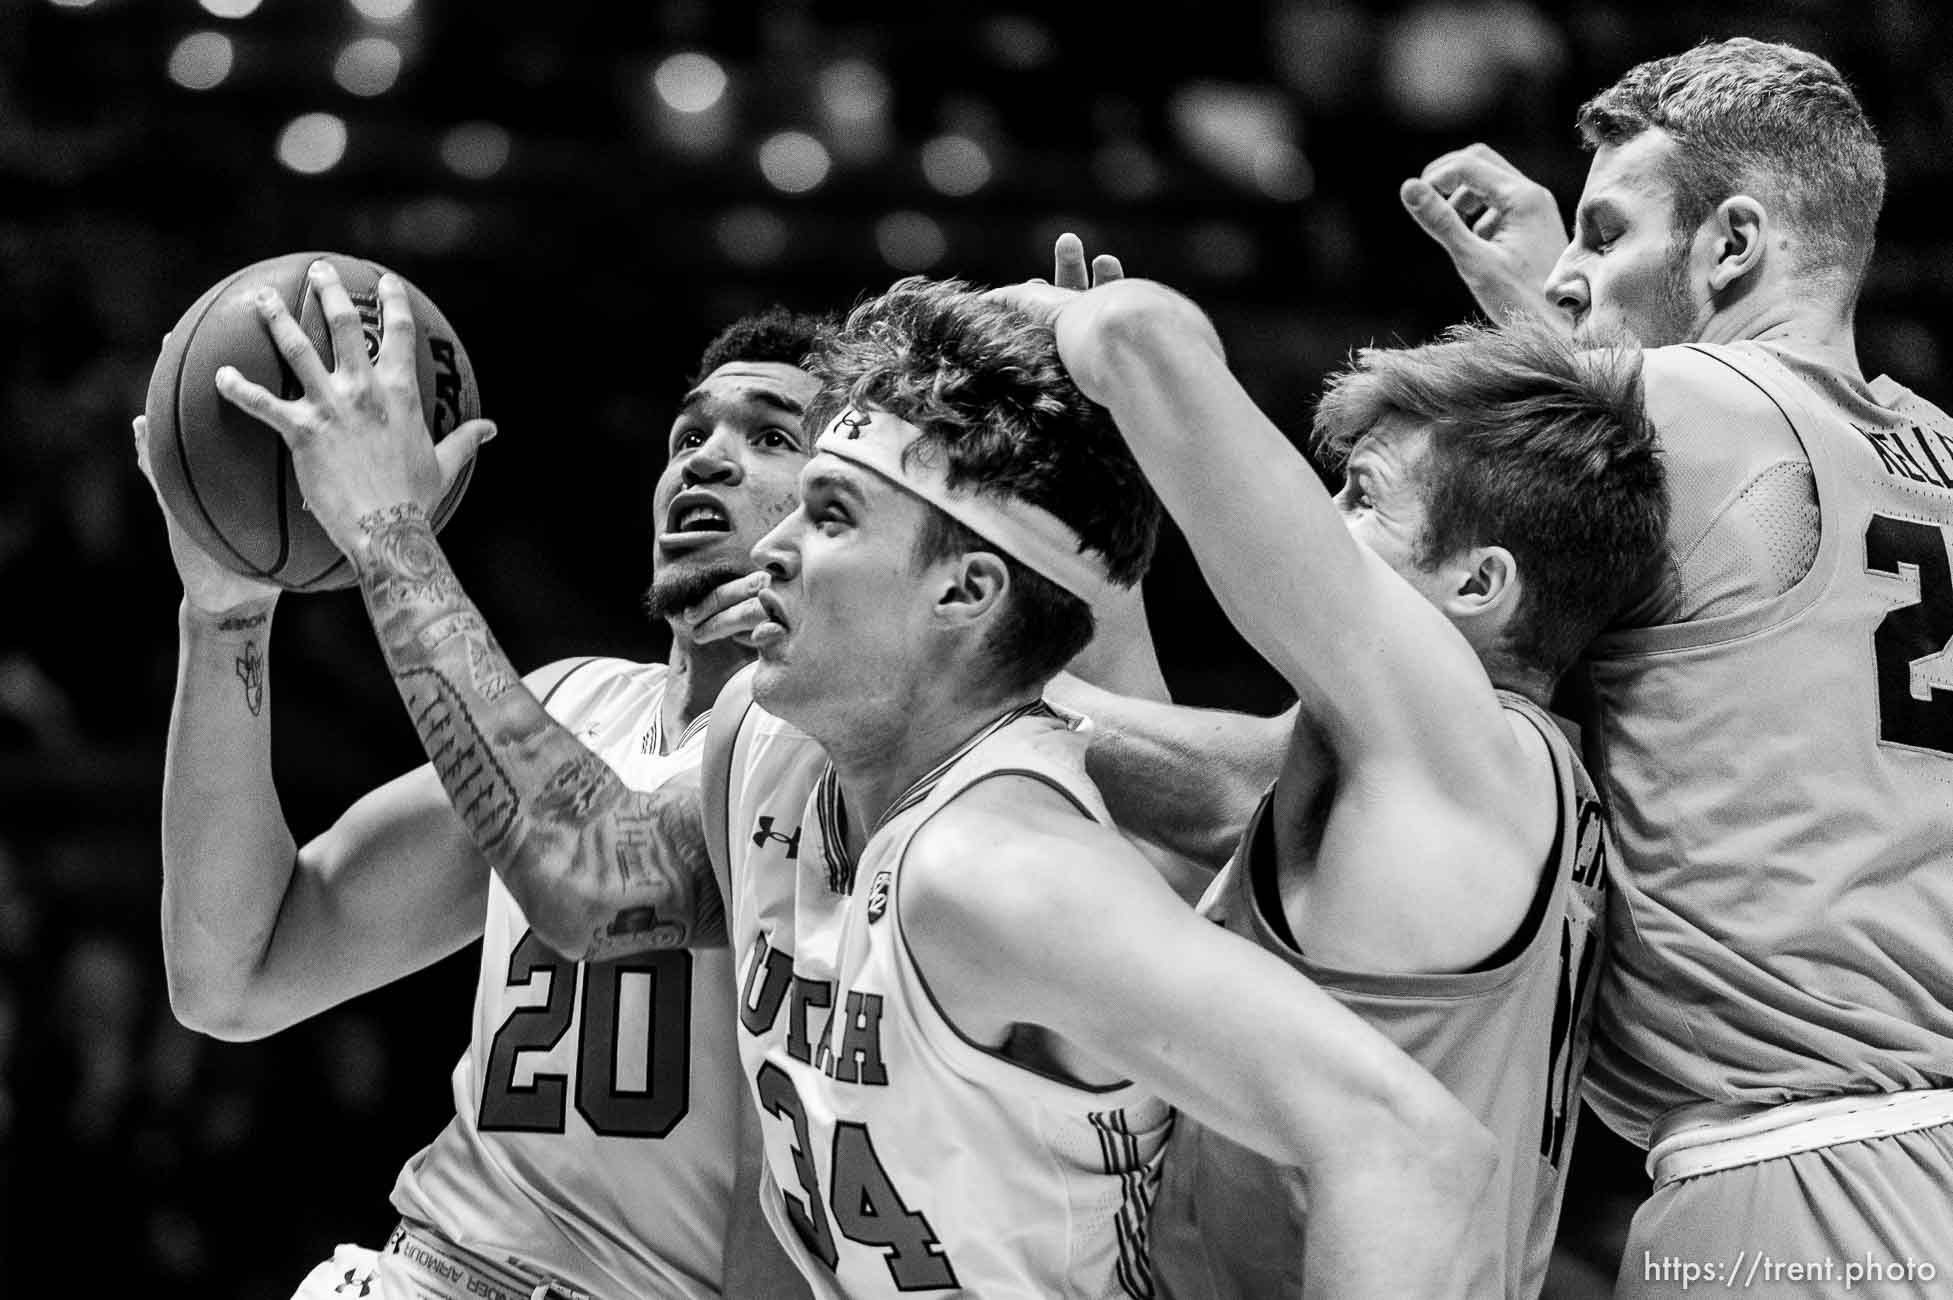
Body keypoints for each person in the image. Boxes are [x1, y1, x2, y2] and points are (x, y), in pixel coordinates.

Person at [691, 275, 1502, 1299]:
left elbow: (1415, 1151)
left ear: (965, 590)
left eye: (830, 514)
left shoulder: (1000, 872)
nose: (770, 544)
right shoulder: (767, 751)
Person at [1401, 36, 1953, 1293]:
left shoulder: (1681, 408)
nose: (1573, 278)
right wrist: (1575, 284)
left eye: (1602, 234)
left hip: (1806, 1173)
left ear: (1733, 245)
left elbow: (1353, 551)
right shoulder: (1932, 447)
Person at [148, 286, 828, 1299]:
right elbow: (235, 971)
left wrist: (384, 525)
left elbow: (592, 865)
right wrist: (227, 612)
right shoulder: (571, 704)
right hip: (418, 1267)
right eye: (688, 433)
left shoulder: (836, 761)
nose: (705, 455)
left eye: (772, 434)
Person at [1001, 267, 1665, 1297]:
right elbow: (1159, 771)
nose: (1317, 521)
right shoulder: (1444, 779)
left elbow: (1140, 335)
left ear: (1478, 585)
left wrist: (1042, 332)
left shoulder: (1452, 749)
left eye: (1360, 496)